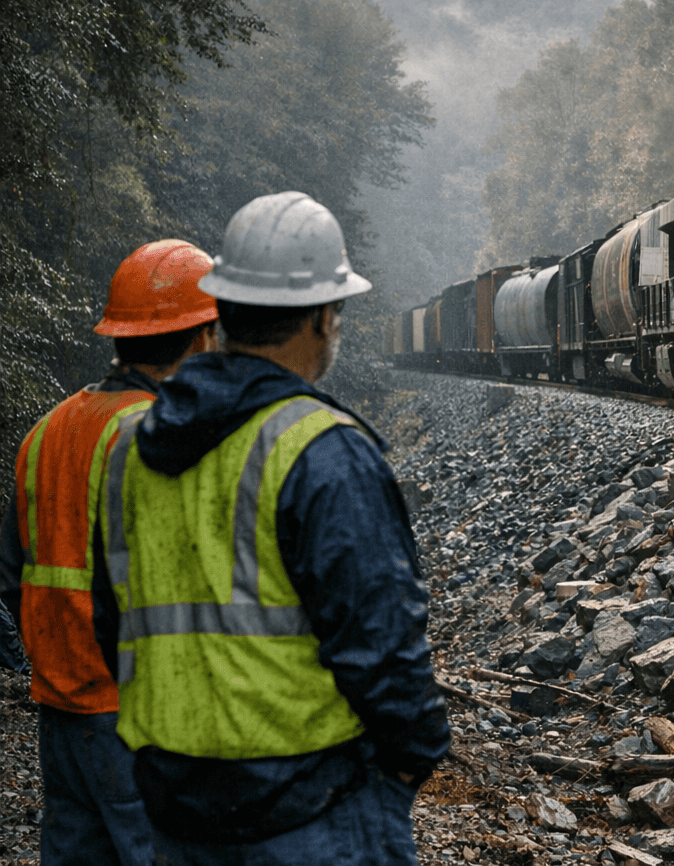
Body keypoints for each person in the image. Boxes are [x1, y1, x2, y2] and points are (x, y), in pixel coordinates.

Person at [96, 191, 448, 864]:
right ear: (322, 316)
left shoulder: (130, 447)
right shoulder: (323, 450)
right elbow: (383, 642)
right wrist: (413, 759)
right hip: (312, 809)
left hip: (174, 804)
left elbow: (112, 622)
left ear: (223, 309)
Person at [0, 239, 220, 865]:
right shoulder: (160, 436)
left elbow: (11, 576)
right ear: (200, 339)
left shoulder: (45, 431)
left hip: (61, 712)